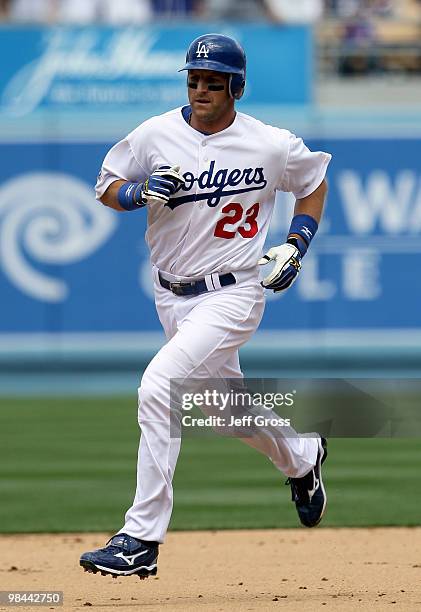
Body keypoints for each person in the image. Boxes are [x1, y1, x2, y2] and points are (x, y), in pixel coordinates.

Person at [80, 33, 332, 579]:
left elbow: (313, 180)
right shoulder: (155, 133)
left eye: (213, 81)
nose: (200, 89)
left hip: (234, 291)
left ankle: (140, 538)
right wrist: (138, 192)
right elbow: (105, 184)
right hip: (170, 294)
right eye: (194, 79)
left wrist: (295, 244)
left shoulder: (267, 143)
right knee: (224, 411)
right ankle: (304, 456)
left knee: (158, 385)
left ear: (235, 87)